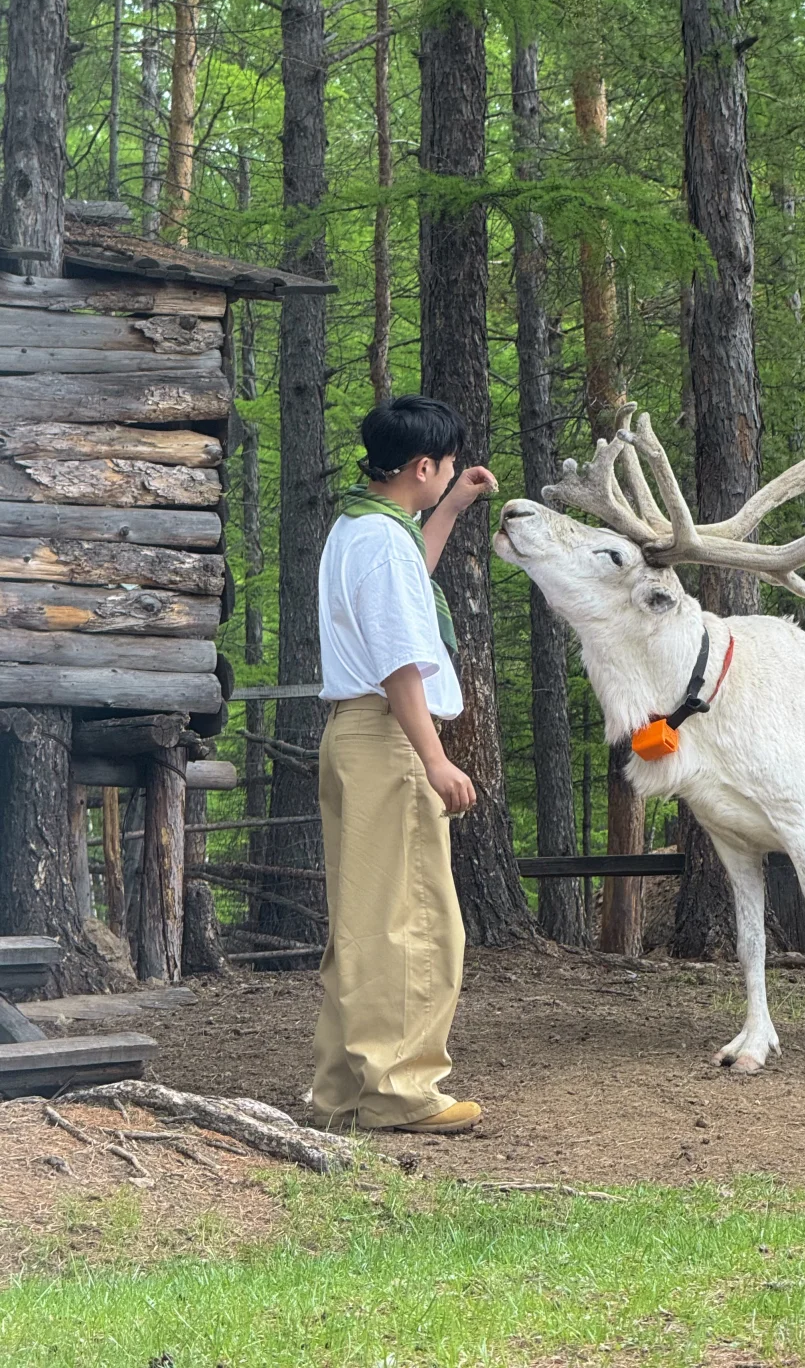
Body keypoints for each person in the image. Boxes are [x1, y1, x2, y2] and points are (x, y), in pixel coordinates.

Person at [311, 394, 496, 1134]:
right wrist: (436, 759)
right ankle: (402, 1091)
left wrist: (449, 509)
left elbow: (407, 585)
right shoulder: (384, 544)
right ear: (422, 465)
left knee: (363, 921)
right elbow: (399, 660)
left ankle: (345, 1090)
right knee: (417, 921)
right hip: (389, 737)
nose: (448, 472)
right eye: (445, 466)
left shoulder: (358, 526)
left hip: (351, 737)